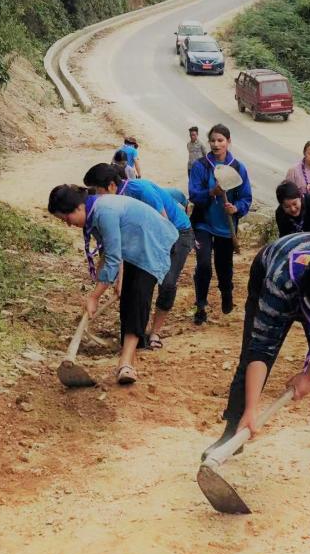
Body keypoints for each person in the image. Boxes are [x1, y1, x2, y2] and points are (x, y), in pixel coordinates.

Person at [201, 232, 310, 475]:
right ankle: (233, 431)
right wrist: (251, 410)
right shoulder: (280, 283)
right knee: (251, 354)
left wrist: (308, 375)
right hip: (271, 268)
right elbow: (262, 346)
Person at [48, 185, 177, 384]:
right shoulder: (94, 212)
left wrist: (94, 296)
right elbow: (110, 249)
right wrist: (118, 278)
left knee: (137, 298)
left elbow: (113, 257)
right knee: (127, 299)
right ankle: (130, 353)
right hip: (134, 246)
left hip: (152, 244)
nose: (68, 224)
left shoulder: (104, 211)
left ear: (78, 208)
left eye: (66, 219)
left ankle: (125, 364)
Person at [83, 164, 194, 349]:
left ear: (111, 186)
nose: (95, 197)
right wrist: (119, 277)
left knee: (166, 282)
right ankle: (134, 336)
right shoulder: (107, 206)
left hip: (175, 233)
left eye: (97, 191)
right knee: (135, 287)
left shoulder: (141, 190)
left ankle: (155, 332)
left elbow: (163, 224)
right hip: (146, 238)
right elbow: (116, 247)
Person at [189, 123, 252, 325]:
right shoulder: (201, 166)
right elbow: (194, 195)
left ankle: (227, 292)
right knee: (204, 264)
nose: (216, 144)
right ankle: (200, 305)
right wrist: (211, 193)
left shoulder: (238, 167)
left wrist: (237, 208)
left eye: (220, 140)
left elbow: (246, 197)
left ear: (228, 142)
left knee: (224, 266)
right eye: (213, 140)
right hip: (203, 223)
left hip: (226, 226)